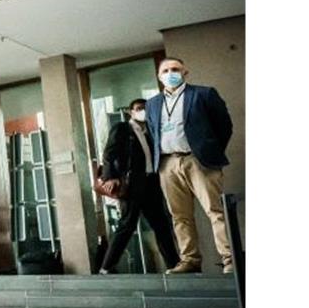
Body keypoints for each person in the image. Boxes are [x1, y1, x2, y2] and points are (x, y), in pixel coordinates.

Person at [145, 58, 235, 274]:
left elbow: (224, 126)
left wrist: (208, 151)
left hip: (199, 161)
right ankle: (190, 260)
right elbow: (152, 131)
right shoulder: (153, 103)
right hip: (168, 164)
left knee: (215, 211)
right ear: (159, 76)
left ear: (185, 72)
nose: (170, 73)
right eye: (165, 70)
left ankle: (230, 259)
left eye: (175, 69)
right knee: (179, 216)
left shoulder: (204, 94)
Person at [98, 99, 181, 274]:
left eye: (145, 109)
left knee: (161, 225)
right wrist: (109, 177)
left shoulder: (151, 131)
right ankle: (106, 267)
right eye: (139, 109)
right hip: (132, 185)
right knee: (127, 225)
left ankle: (174, 265)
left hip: (152, 184)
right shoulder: (123, 128)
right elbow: (108, 153)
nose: (142, 111)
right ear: (131, 112)